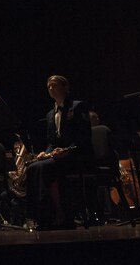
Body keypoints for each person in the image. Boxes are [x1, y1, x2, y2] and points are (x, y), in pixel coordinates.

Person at [25, 75, 93, 229]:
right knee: (32, 167)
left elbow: (84, 136)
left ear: (65, 87)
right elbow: (52, 142)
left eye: (54, 85)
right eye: (48, 86)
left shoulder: (77, 106)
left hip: (77, 155)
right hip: (59, 157)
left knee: (43, 167)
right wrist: (46, 152)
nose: (51, 88)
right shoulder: (50, 114)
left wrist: (68, 150)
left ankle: (60, 215)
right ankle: (41, 217)